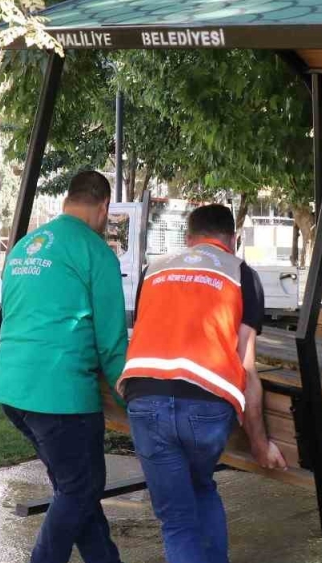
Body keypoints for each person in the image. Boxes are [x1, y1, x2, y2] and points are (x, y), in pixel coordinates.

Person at [118, 204, 286, 563]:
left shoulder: (154, 270)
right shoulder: (241, 273)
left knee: (178, 520)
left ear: (188, 239)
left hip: (144, 396)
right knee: (201, 487)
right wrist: (260, 443)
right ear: (233, 240)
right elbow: (246, 367)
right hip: (208, 404)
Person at [0, 170, 128, 563]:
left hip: (13, 389)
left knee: (76, 489)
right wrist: (135, 400)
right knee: (80, 489)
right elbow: (113, 343)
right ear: (103, 208)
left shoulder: (24, 248)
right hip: (60, 394)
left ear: (69, 200)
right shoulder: (95, 251)